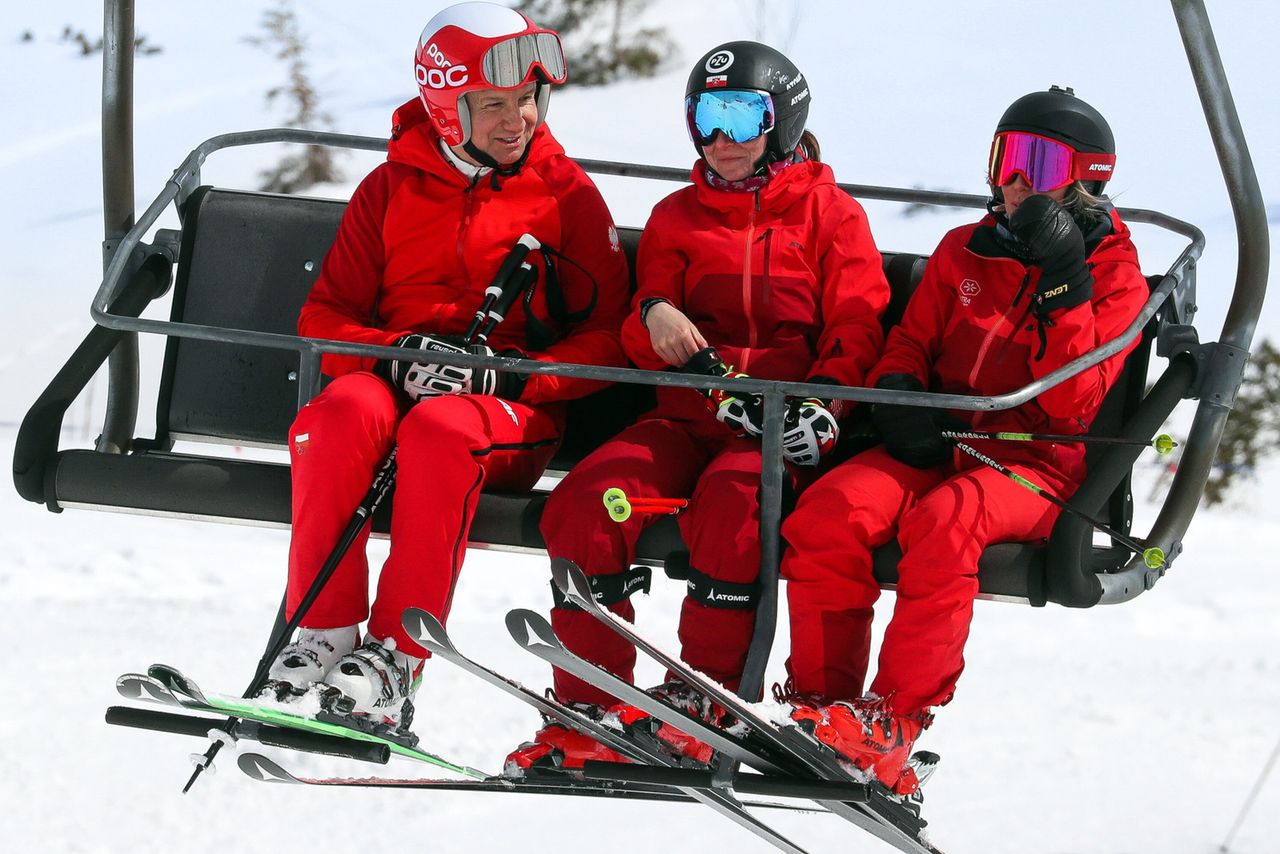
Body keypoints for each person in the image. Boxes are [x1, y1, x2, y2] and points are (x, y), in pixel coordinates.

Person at [506, 41, 891, 774]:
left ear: (781, 122)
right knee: (590, 502)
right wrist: (650, 316)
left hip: (774, 433)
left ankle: (706, 699)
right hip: (685, 421)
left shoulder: (832, 218)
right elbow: (641, 322)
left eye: (742, 116)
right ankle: (595, 706)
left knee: (731, 506)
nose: (722, 139)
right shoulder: (677, 217)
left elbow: (857, 325)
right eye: (706, 118)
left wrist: (825, 405)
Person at [263, 1, 629, 738]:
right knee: (334, 417)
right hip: (397, 395)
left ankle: (399, 656)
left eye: (526, 100)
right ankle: (324, 629)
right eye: (494, 103)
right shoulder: (390, 189)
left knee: (440, 428)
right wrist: (397, 358)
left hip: (502, 418)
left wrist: (507, 376)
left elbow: (611, 346)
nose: (516, 120)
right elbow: (324, 317)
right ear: (446, 104)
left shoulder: (567, 198)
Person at [779, 86, 1150, 794]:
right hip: (941, 447)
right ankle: (821, 706)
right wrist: (902, 398)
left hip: (1038, 469)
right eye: (1005, 156)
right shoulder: (963, 250)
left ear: (1086, 177)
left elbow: (1072, 404)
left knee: (950, 520)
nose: (1013, 179)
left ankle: (893, 722)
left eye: (1036, 164)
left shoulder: (1112, 280)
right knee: (830, 511)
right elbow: (911, 342)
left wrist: (1063, 284)